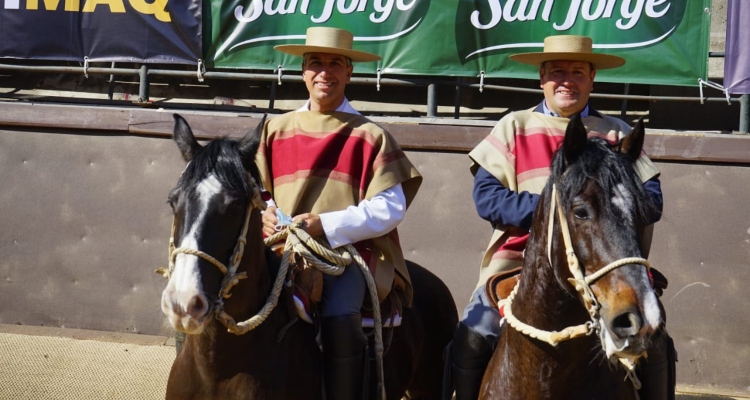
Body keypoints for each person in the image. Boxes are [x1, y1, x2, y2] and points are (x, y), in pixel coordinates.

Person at [449, 35, 674, 400]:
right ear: (542, 77)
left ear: (592, 79)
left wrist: (602, 214)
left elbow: (651, 201)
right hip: (518, 266)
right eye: (557, 71)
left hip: (604, 265)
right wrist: (556, 215)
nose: (567, 80)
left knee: (655, 337)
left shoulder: (618, 133)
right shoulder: (513, 126)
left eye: (578, 72)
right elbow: (487, 198)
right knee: (474, 334)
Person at [256, 26, 422, 400]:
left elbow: (390, 208)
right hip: (279, 247)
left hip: (348, 254)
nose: (324, 72)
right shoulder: (273, 129)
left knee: (338, 314)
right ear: (303, 71)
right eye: (316, 63)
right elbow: (258, 192)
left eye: (335, 64)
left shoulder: (371, 135)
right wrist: (263, 214)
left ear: (349, 72)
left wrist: (325, 225)